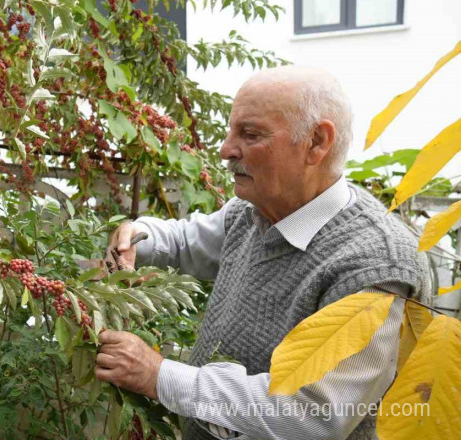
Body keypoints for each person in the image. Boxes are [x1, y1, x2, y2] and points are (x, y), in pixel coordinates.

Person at [94, 66, 431, 440]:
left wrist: (159, 376)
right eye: (232, 130)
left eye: (250, 134)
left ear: (317, 143)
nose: (225, 149)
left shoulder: (376, 267)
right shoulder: (254, 211)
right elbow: (187, 241)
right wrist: (138, 236)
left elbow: (314, 415)